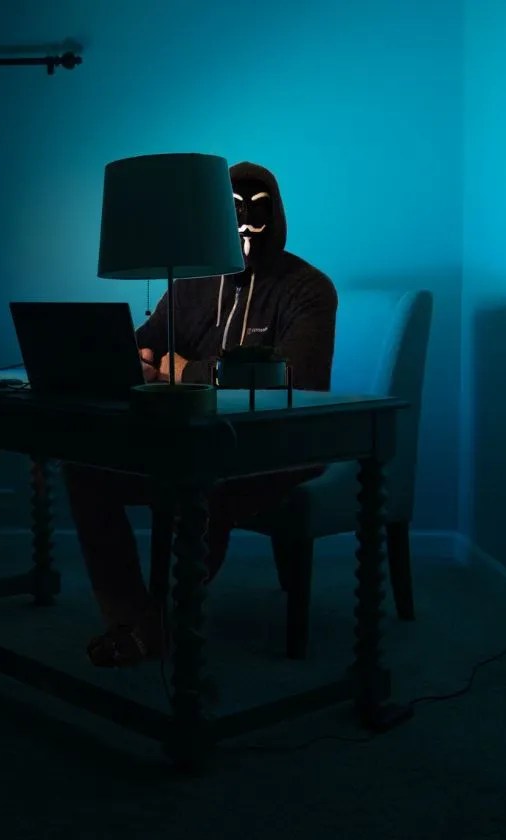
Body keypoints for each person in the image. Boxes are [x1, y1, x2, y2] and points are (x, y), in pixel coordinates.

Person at [65, 160, 338, 667]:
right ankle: (129, 618)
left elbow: (294, 378)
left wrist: (187, 368)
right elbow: (145, 346)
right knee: (85, 470)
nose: (248, 227)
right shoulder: (193, 283)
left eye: (260, 212)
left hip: (280, 449)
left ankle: (157, 625)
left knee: (203, 484)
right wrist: (137, 361)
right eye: (234, 213)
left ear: (277, 215)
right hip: (196, 442)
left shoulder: (308, 288)